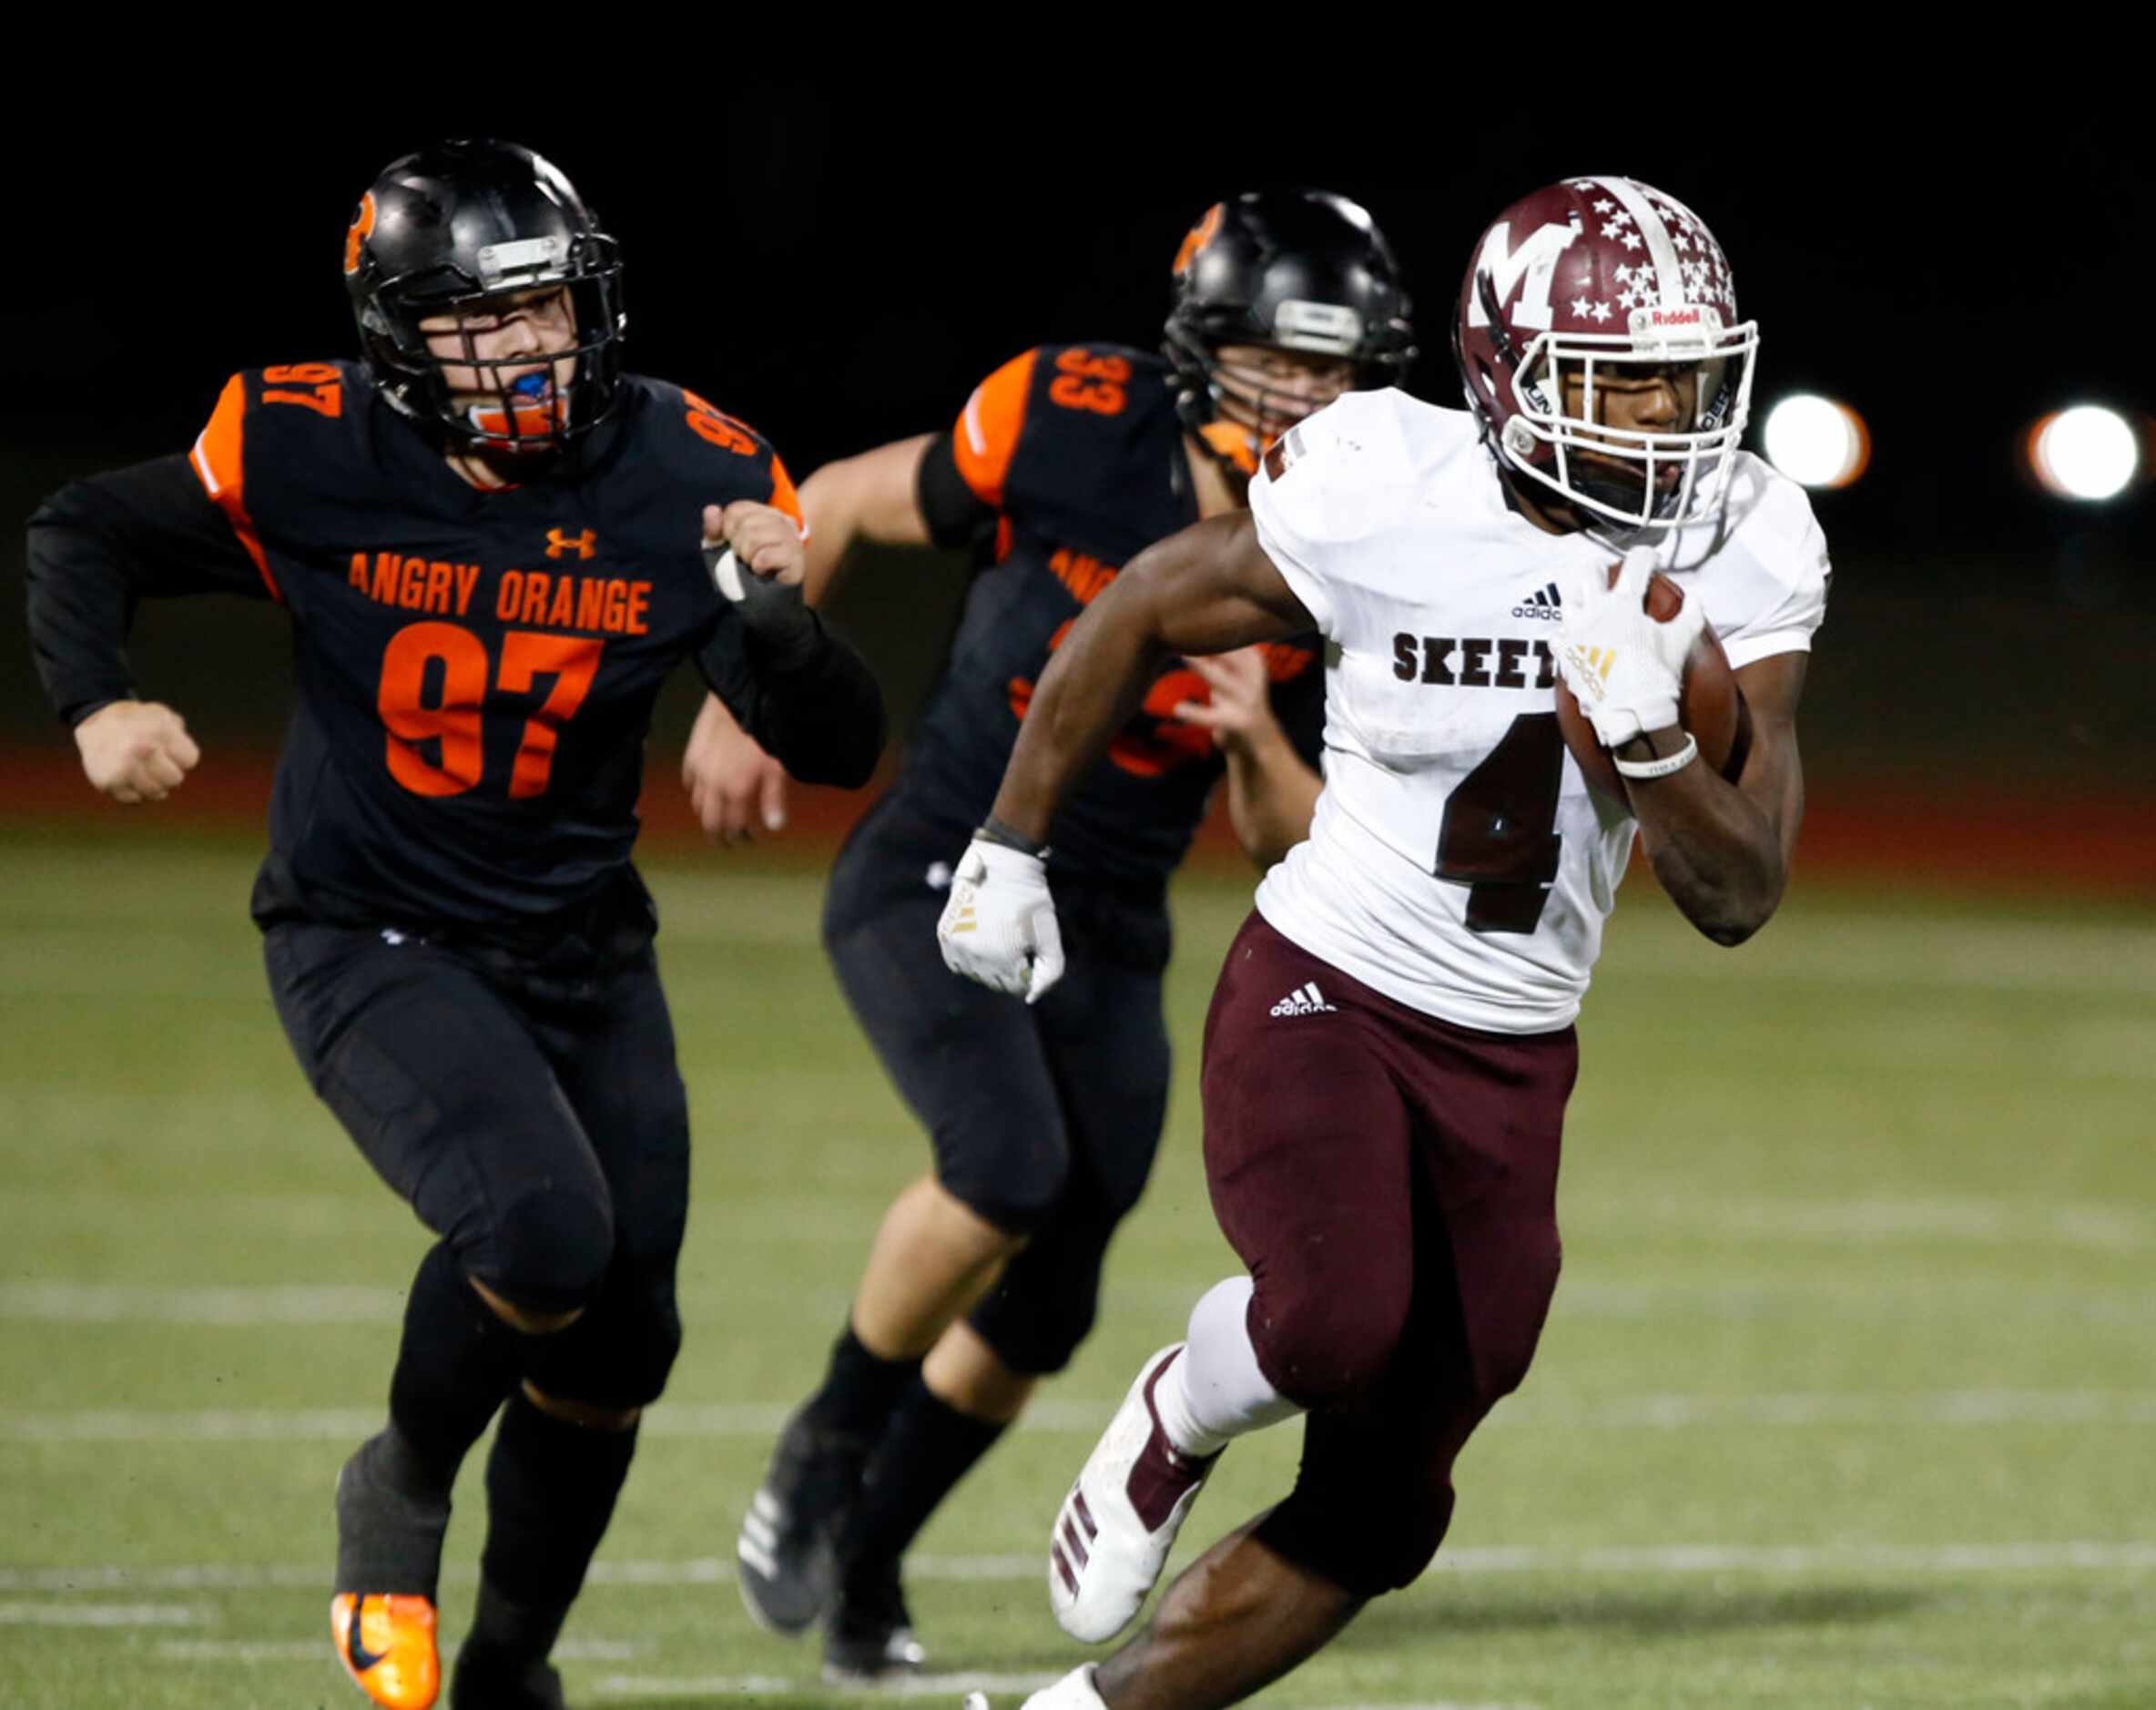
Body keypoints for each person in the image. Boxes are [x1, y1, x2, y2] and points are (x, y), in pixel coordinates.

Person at [938, 174, 1830, 1710]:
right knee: (1334, 1314)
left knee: (1386, 1509)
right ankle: (1182, 1403)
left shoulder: (1740, 540)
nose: (1666, 422)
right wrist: (1009, 842)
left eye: (1687, 382)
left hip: (1516, 1047)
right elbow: (1143, 605)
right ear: (1508, 373)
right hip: (1329, 982)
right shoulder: (1383, 479)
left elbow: (1742, 888)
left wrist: (1654, 742)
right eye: (1622, 381)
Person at [24, 138, 882, 1710]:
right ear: (401, 340)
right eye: (482, 323)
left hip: (578, 946)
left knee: (622, 1349)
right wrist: (97, 699)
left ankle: (506, 1672)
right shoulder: (303, 447)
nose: (529, 350)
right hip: (369, 931)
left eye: (547, 310)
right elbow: (84, 528)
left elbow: (834, 743)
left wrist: (779, 630)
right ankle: (399, 1485)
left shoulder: (689, 471)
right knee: (542, 1230)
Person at [684, 190, 1414, 1680]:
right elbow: (833, 494)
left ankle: (866, 1570)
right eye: (1275, 360)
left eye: (1332, 370)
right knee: (1005, 1163)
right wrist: (744, 694)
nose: (1306, 399)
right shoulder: (1066, 420)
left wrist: (1262, 737)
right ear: (1201, 348)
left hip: (1113, 921)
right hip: (937, 868)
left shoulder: (1369, 528)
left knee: (1061, 1281)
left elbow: (1294, 835)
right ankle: (823, 1448)